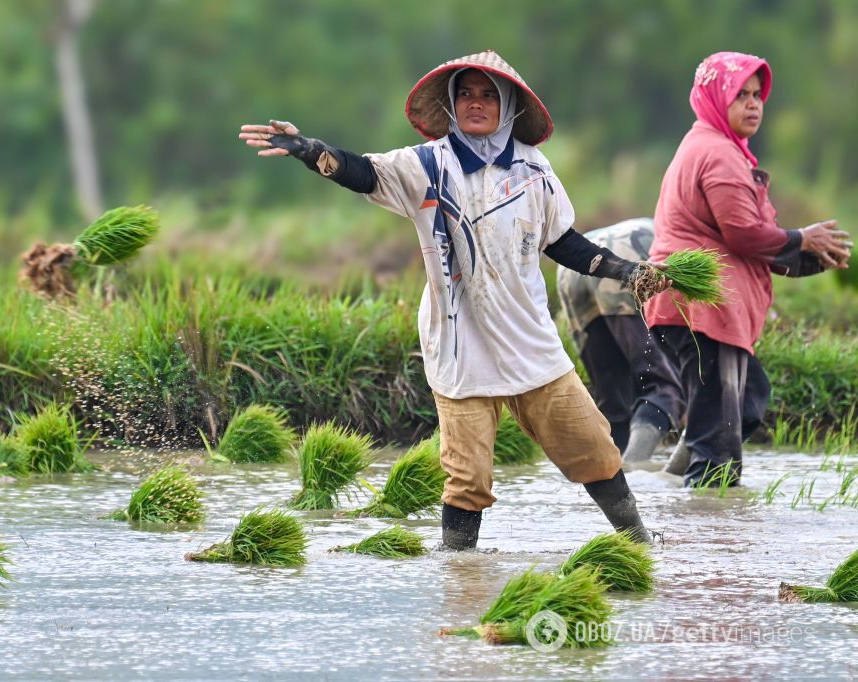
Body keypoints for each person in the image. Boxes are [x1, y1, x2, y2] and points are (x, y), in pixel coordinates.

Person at [239, 50, 669, 548]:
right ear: (451, 103)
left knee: (594, 448)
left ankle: (639, 542)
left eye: (489, 95)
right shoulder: (427, 166)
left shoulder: (534, 171)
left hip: (530, 342)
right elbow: (362, 172)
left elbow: (562, 242)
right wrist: (308, 148)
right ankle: (459, 573)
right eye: (466, 93)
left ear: (507, 106)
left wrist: (626, 271)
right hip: (460, 344)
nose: (476, 103)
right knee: (467, 480)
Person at [645, 51, 852, 488]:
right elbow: (742, 233)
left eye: (758, 95)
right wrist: (801, 238)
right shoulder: (717, 154)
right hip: (703, 310)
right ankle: (713, 542)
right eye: (741, 95)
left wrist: (811, 257)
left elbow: (744, 242)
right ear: (716, 97)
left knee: (748, 398)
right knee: (720, 448)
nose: (754, 104)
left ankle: (673, 479)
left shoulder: (713, 147)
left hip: (701, 309)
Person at [556, 218, 685, 465]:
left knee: (612, 396)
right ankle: (633, 468)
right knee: (662, 387)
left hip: (574, 266)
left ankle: (611, 474)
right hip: (625, 257)